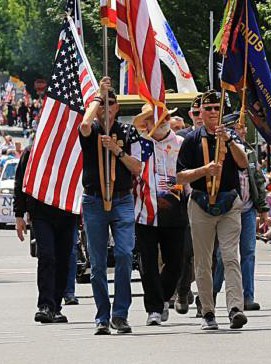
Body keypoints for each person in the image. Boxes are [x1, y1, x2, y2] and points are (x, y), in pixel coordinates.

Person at [176, 90, 249, 331]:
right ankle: (208, 310)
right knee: (204, 261)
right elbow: (180, 175)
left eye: (217, 109)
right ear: (200, 113)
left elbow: (243, 163)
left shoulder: (230, 137)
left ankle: (235, 308)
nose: (213, 113)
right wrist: (204, 171)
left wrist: (228, 141)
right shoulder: (191, 139)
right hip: (200, 203)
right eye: (208, 109)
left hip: (229, 203)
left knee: (230, 257)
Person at [78, 77, 143, 335]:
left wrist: (116, 150)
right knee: (97, 262)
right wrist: (97, 96)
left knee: (126, 254)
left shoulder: (129, 132)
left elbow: (137, 168)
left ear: (117, 107)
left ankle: (120, 314)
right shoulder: (92, 129)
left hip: (121, 199)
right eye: (102, 104)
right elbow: (84, 124)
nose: (106, 107)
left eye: (110, 103)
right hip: (94, 200)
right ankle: (102, 316)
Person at [132, 104, 186, 326]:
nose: (161, 121)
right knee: (148, 262)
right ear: (146, 124)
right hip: (145, 211)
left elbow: (188, 175)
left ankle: (164, 297)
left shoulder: (182, 144)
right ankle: (153, 308)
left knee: (176, 262)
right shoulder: (139, 145)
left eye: (164, 117)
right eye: (154, 118)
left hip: (175, 211)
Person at [14, 146, 78, 324]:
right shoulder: (30, 152)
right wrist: (19, 214)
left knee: (63, 259)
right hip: (41, 213)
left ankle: (56, 306)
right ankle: (45, 305)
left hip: (66, 212)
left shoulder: (71, 149)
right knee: (47, 257)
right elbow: (20, 183)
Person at [213, 117, 269, 311]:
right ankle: (210, 295)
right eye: (238, 128)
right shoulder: (221, 150)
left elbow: (258, 180)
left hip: (247, 208)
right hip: (227, 208)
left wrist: (262, 208)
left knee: (249, 253)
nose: (243, 131)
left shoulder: (250, 152)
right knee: (223, 255)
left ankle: (248, 297)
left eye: (243, 128)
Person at [174, 92, 203, 315]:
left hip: (217, 201)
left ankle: (205, 299)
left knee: (216, 256)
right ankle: (183, 290)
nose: (202, 115)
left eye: (211, 110)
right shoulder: (183, 139)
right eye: (197, 112)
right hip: (188, 202)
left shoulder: (223, 136)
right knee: (187, 253)